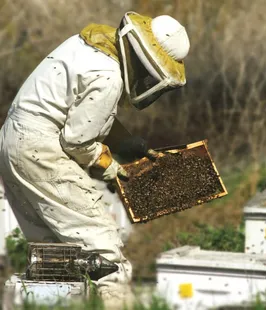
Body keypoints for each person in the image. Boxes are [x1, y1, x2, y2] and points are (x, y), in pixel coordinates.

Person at [0, 11, 190, 308]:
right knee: (105, 252)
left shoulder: (86, 46)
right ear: (143, 60)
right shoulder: (109, 75)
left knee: (54, 254)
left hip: (13, 141)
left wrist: (128, 144)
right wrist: (112, 169)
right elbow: (78, 141)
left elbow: (79, 111)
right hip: (40, 149)